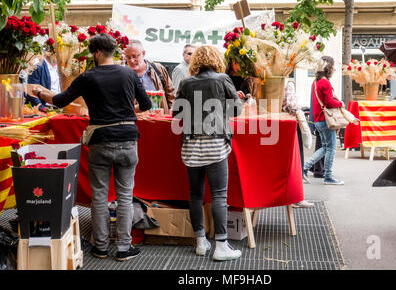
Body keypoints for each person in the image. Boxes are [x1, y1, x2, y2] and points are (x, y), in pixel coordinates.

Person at [28, 33, 152, 262]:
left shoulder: (88, 77)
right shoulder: (129, 74)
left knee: (100, 195)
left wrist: (39, 92)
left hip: (100, 140)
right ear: (113, 51)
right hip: (127, 138)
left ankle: (101, 247)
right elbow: (146, 105)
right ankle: (124, 247)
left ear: (95, 53)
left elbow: (61, 101)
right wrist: (124, 110)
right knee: (125, 195)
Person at [172, 45, 243, 261]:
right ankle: (221, 246)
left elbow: (176, 113)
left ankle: (200, 242)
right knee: (219, 195)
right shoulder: (222, 79)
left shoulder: (185, 82)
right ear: (216, 60)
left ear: (195, 63)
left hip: (191, 144)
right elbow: (237, 110)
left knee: (195, 195)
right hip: (216, 144)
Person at [302, 56, 344, 185]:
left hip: (318, 120)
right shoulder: (325, 82)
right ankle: (328, 177)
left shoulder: (316, 82)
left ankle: (304, 168)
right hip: (326, 120)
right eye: (333, 68)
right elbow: (328, 102)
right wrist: (340, 103)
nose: (334, 70)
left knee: (325, 147)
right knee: (331, 149)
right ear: (328, 68)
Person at [282, 81, 314, 208]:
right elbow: (292, 105)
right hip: (290, 124)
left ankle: (289, 196)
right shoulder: (287, 83)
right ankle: (296, 198)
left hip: (276, 126)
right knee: (296, 161)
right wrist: (298, 108)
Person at [124, 39, 175, 114]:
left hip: (160, 120)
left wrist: (172, 111)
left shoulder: (158, 69)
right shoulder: (122, 74)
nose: (131, 60)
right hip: (135, 121)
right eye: (128, 57)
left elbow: (171, 93)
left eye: (135, 56)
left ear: (143, 53)